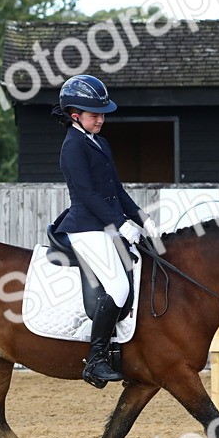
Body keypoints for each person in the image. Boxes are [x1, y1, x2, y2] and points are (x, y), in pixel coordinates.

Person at [51, 75, 154, 388]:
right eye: (94, 114)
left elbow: (116, 190)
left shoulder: (100, 143)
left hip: (104, 224)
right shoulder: (72, 147)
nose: (100, 118)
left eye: (102, 113)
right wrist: (120, 224)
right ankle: (95, 359)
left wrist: (141, 217)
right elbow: (88, 195)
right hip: (85, 226)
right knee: (119, 288)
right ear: (75, 115)